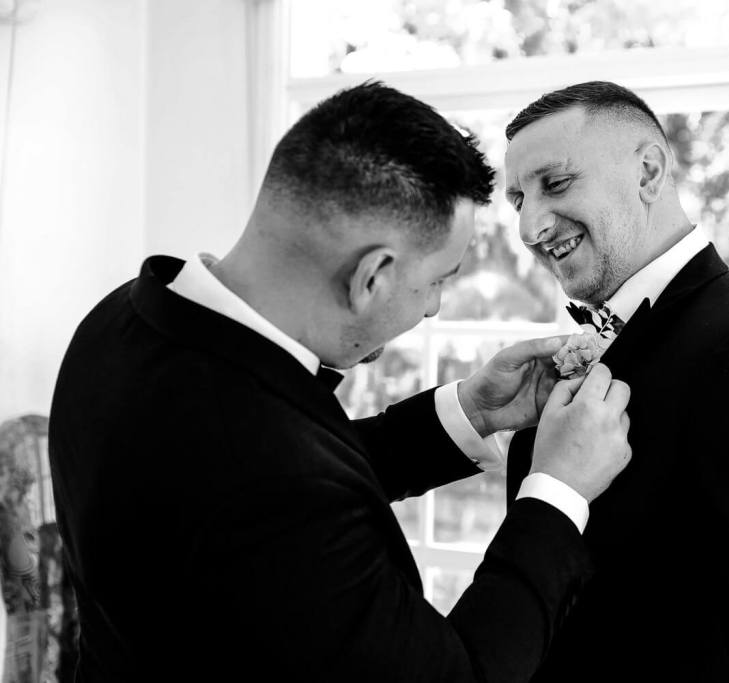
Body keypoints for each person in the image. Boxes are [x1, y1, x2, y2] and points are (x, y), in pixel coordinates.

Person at [48, 81, 633, 682]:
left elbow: (266, 474)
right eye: (437, 280)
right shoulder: (268, 482)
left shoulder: (123, 319)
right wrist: (557, 490)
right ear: (371, 277)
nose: (433, 308)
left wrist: (471, 412)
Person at [503, 81, 729, 681]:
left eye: (556, 183)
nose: (529, 225)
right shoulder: (607, 337)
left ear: (648, 172)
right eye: (517, 199)